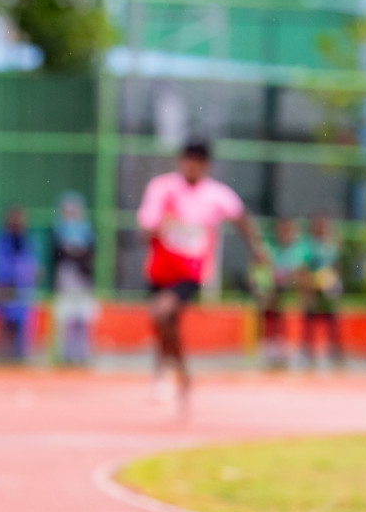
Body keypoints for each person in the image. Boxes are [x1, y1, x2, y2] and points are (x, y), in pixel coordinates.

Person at [136, 141, 265, 417]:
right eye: (186, 160)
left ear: (206, 166)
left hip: (190, 272)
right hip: (160, 268)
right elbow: (144, 229)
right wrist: (159, 227)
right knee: (165, 324)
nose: (190, 167)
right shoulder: (162, 189)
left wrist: (257, 250)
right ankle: (180, 373)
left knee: (163, 313)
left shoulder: (216, 195)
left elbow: (241, 219)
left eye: (196, 162)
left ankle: (165, 373)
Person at [50, 192, 96, 366]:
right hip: (65, 278)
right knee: (65, 317)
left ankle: (82, 354)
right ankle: (65, 355)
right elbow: (58, 256)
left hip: (83, 278)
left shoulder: (86, 229)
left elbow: (90, 254)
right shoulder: (59, 229)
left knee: (83, 317)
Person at [0, 206, 38, 362]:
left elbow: (32, 265)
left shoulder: (27, 240)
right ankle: (4, 358)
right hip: (6, 287)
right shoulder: (2, 241)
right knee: (5, 324)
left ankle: (21, 357)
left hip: (23, 289)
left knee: (23, 327)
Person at [252, 218, 299, 370]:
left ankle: (279, 345)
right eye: (284, 229)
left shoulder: (292, 249)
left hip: (281, 287)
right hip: (267, 288)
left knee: (280, 316)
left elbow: (292, 269)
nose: (286, 233)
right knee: (267, 315)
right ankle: (265, 346)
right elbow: (259, 269)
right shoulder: (269, 247)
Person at [299, 214, 344, 367]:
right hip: (313, 289)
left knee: (332, 320)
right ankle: (308, 351)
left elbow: (337, 267)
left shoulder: (330, 247)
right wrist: (307, 287)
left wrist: (334, 283)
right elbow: (304, 269)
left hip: (328, 290)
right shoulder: (309, 247)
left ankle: (335, 351)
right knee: (309, 320)